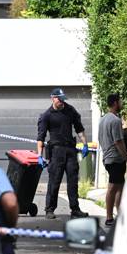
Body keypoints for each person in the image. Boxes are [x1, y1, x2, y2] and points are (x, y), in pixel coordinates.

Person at [37, 88, 90, 219]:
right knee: (54, 180)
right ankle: (49, 209)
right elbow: (41, 137)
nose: (62, 101)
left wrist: (85, 144)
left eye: (63, 99)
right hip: (56, 151)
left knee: (73, 180)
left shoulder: (70, 110)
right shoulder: (46, 116)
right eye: (59, 99)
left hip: (70, 150)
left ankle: (75, 209)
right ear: (53, 98)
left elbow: (79, 129)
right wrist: (39, 156)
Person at [98, 93, 127, 226]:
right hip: (115, 159)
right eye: (120, 101)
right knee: (113, 187)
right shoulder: (115, 120)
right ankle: (109, 217)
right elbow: (118, 142)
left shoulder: (103, 119)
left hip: (108, 157)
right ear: (115, 103)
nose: (122, 104)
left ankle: (119, 215)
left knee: (119, 187)